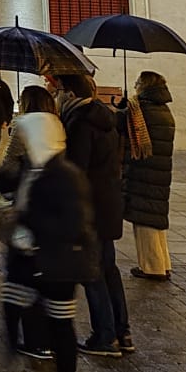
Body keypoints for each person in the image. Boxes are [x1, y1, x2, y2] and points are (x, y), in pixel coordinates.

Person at [0, 111, 97, 372]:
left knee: (61, 324)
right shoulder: (33, 168)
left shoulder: (64, 175)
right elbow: (5, 182)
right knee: (11, 306)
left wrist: (26, 217)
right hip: (29, 260)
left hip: (59, 265)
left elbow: (71, 225)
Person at [51, 72, 130, 356]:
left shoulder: (81, 123)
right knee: (109, 269)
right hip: (108, 203)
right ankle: (123, 331)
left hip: (91, 208)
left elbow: (77, 169)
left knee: (93, 272)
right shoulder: (104, 117)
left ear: (70, 93)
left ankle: (104, 337)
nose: (56, 95)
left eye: (58, 90)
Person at [123, 71, 175, 281]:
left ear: (144, 85)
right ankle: (163, 263)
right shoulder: (163, 108)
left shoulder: (141, 110)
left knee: (145, 219)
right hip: (158, 171)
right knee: (155, 218)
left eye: (137, 83)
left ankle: (152, 267)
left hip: (144, 171)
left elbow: (125, 130)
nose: (135, 86)